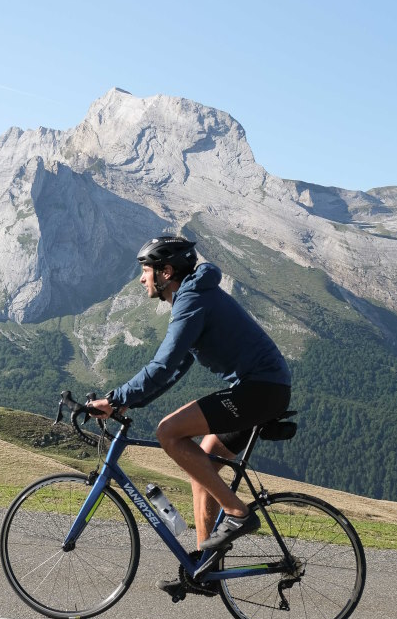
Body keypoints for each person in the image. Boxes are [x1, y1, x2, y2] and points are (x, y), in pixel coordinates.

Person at [88, 236, 292, 595]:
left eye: (146, 271)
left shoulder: (193, 299)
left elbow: (164, 364)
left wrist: (115, 398)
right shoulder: (193, 296)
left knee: (169, 433)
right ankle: (204, 567)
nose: (141, 280)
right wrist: (126, 404)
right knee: (204, 463)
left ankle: (239, 514)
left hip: (259, 390)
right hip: (262, 388)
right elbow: (177, 366)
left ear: (166, 272)